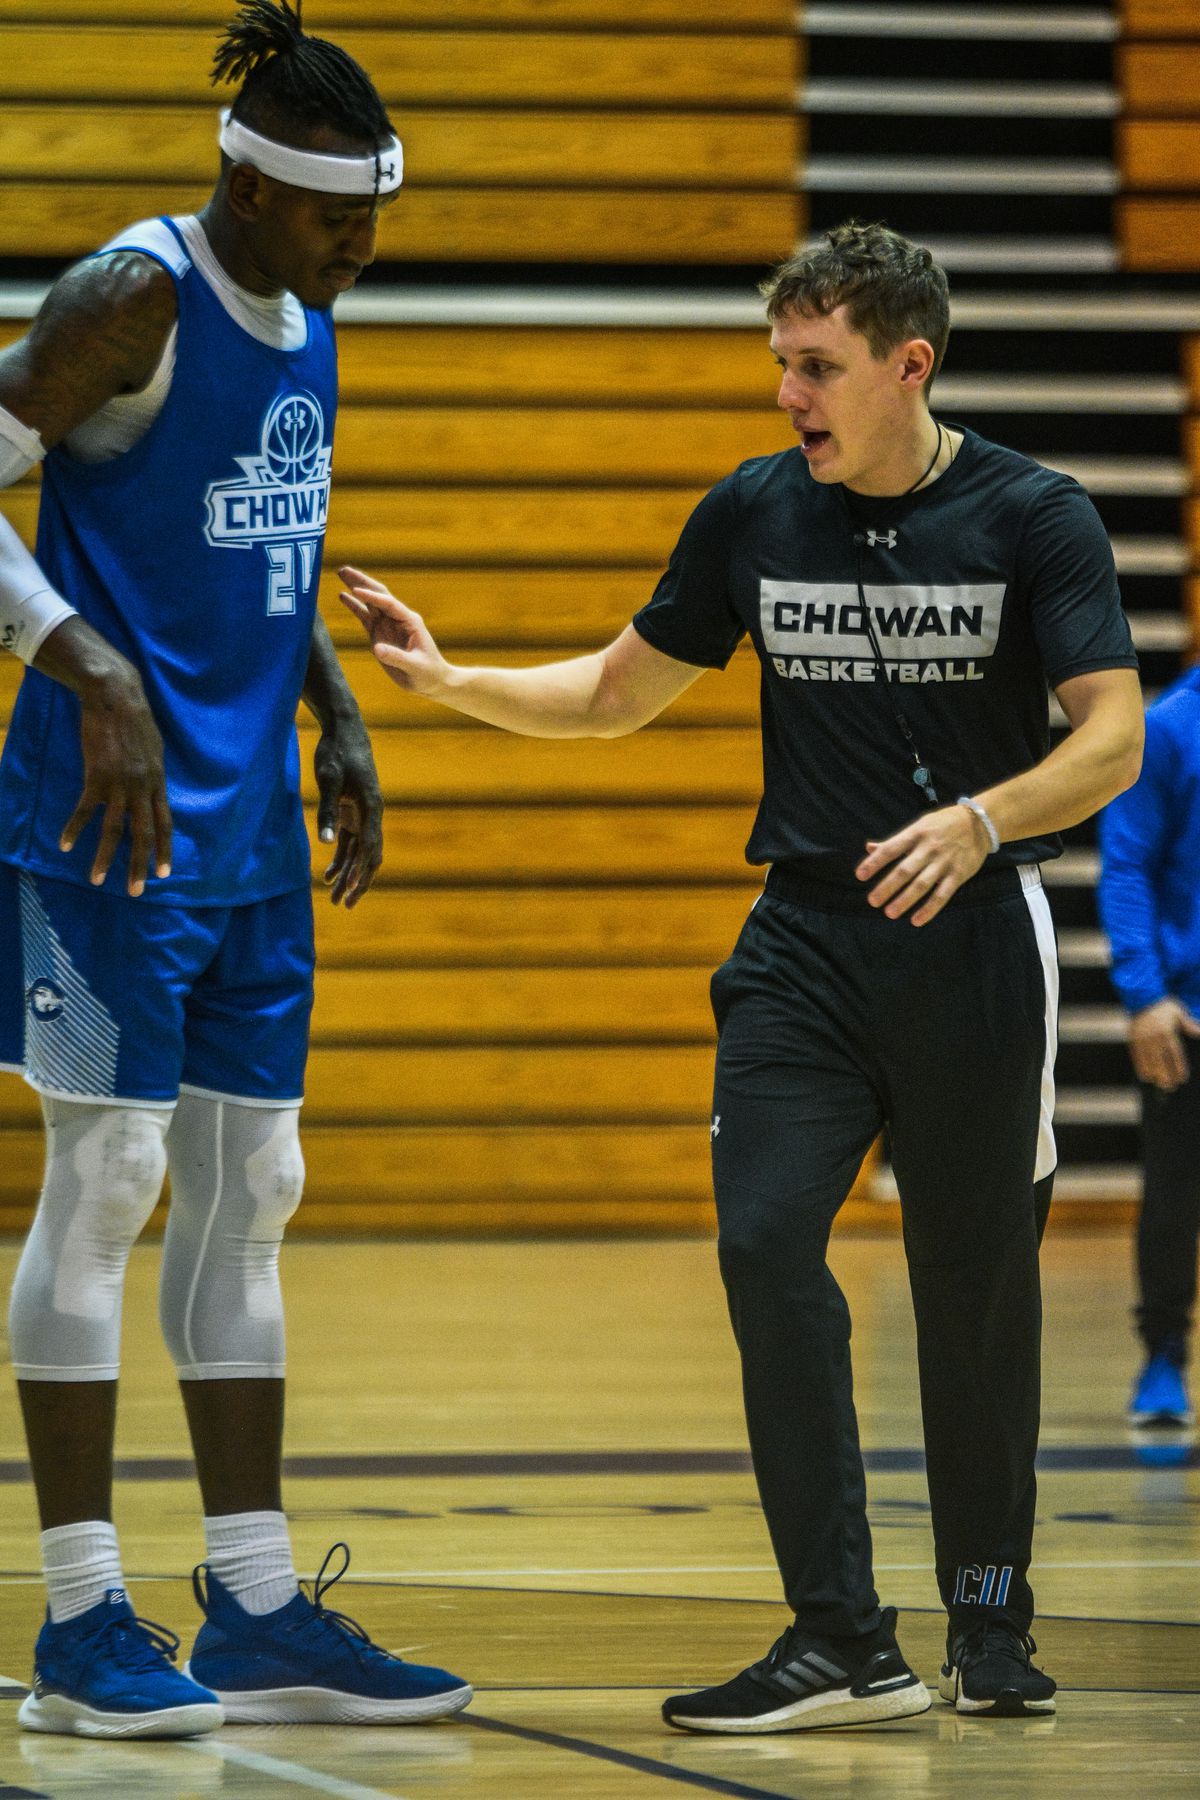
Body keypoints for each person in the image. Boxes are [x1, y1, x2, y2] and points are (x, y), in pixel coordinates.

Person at [341, 221, 1144, 1730]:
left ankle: (988, 1619)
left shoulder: (1038, 517)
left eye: (817, 367)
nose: (789, 395)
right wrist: (448, 681)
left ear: (912, 366)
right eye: (781, 363)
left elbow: (1111, 737)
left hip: (972, 935)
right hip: (803, 946)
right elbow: (612, 692)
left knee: (972, 1291)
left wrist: (981, 822)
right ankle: (842, 1636)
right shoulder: (755, 515)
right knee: (766, 1246)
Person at [0, 0, 470, 1740]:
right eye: (341, 217)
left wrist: (335, 706)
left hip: (250, 829)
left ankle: (259, 1607)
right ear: (249, 186)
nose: (365, 245)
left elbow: (272, 517)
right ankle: (77, 1622)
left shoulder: (303, 300)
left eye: (377, 217)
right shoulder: (132, 298)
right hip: (105, 821)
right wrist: (88, 668)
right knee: (108, 1181)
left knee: (253, 1181)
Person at [1097, 666, 1200, 1429]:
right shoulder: (1167, 727)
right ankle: (1163, 1355)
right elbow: (1126, 861)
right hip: (1187, 1015)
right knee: (1175, 1194)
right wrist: (1144, 994)